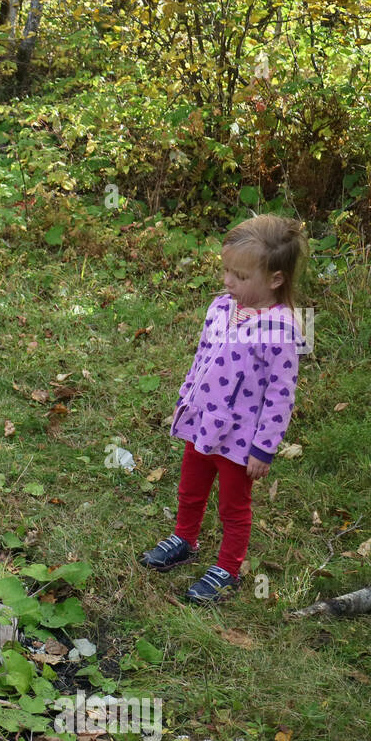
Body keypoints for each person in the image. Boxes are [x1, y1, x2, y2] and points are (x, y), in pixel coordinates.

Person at [140, 214, 309, 603]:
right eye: (226, 271)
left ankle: (228, 568)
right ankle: (185, 539)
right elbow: (202, 356)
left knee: (234, 505)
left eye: (240, 276)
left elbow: (280, 395)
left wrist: (264, 447)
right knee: (190, 488)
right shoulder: (221, 307)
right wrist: (186, 399)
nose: (228, 282)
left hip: (240, 438)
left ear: (275, 279)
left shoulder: (280, 329)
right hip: (202, 421)